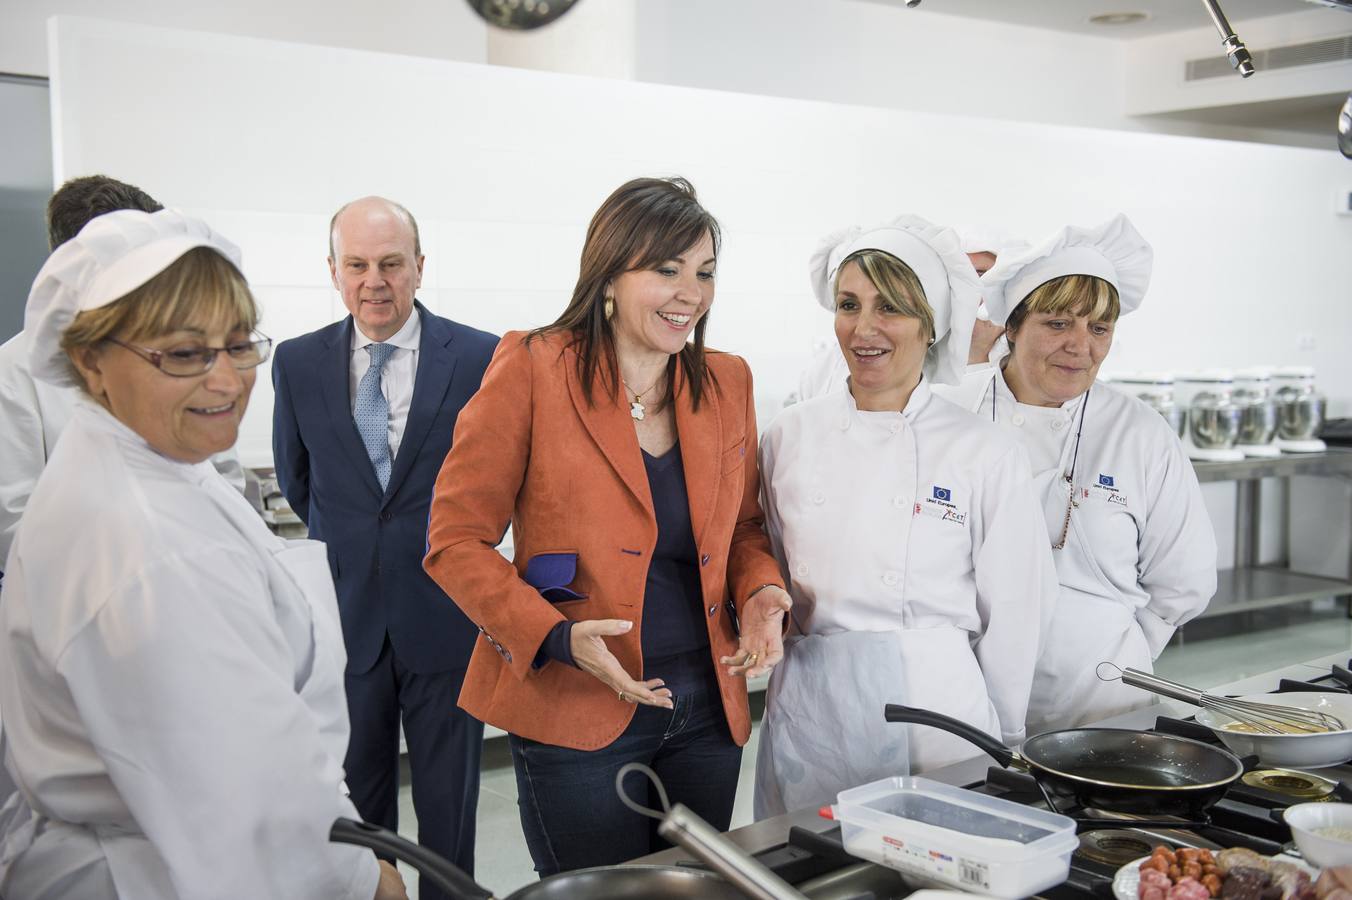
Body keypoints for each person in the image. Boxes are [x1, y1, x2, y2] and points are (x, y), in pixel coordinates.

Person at [0, 209, 405, 899]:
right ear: (90, 359)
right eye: (184, 354)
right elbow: (245, 799)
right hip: (171, 870)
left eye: (240, 344)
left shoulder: (153, 461)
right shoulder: (146, 549)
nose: (227, 381)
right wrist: (362, 880)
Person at [423, 176, 791, 874]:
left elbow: (743, 528)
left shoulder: (725, 381)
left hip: (707, 707)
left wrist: (762, 593)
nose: (691, 292)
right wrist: (556, 637)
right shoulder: (533, 366)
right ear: (610, 275)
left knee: (693, 892)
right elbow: (455, 540)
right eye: (666, 268)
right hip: (577, 698)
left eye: (704, 272)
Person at [753, 217, 1058, 819]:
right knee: (813, 875)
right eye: (848, 304)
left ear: (932, 324)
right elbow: (760, 560)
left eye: (890, 307)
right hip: (814, 705)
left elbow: (1018, 611)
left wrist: (1004, 736)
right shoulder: (787, 435)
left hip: (938, 709)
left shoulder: (983, 449)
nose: (864, 329)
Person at [271, 197, 498, 892]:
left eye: (392, 264)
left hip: (448, 622)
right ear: (334, 272)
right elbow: (300, 481)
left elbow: (498, 483)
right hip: (348, 626)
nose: (375, 280)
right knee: (357, 813)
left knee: (448, 812)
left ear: (420, 268)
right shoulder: (299, 362)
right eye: (358, 265)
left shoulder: (483, 357)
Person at [937, 214, 1217, 732]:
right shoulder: (950, 414)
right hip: (965, 692)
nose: (1080, 345)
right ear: (1013, 326)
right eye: (1058, 323)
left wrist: (1112, 648)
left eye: (1099, 328)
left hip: (1103, 696)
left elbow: (1185, 578)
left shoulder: (1140, 433)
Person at [0, 175, 244, 571]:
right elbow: (16, 523)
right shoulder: (14, 370)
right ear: (74, 264)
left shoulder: (181, 354)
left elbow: (223, 475)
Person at [793, 223, 1026, 403]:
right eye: (849, 304)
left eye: (981, 273)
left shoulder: (1026, 359)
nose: (970, 289)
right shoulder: (910, 358)